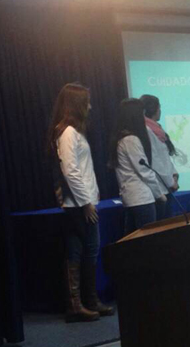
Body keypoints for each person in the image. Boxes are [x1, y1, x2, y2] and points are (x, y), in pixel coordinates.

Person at [46, 83, 114, 322]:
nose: (90, 106)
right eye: (86, 102)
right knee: (86, 250)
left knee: (82, 251)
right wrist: (86, 202)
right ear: (76, 105)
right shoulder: (67, 133)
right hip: (77, 204)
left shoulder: (74, 131)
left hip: (80, 201)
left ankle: (86, 301)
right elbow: (71, 170)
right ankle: (79, 303)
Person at [110, 98, 166, 234]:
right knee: (146, 239)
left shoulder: (121, 138)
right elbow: (144, 170)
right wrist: (159, 194)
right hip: (141, 198)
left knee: (133, 239)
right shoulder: (131, 140)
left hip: (132, 197)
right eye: (142, 113)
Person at [140, 94, 180, 220]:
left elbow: (165, 157)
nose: (160, 110)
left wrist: (174, 174)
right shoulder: (146, 130)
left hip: (167, 186)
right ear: (154, 109)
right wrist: (171, 182)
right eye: (159, 107)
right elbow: (155, 161)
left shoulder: (158, 129)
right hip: (159, 188)